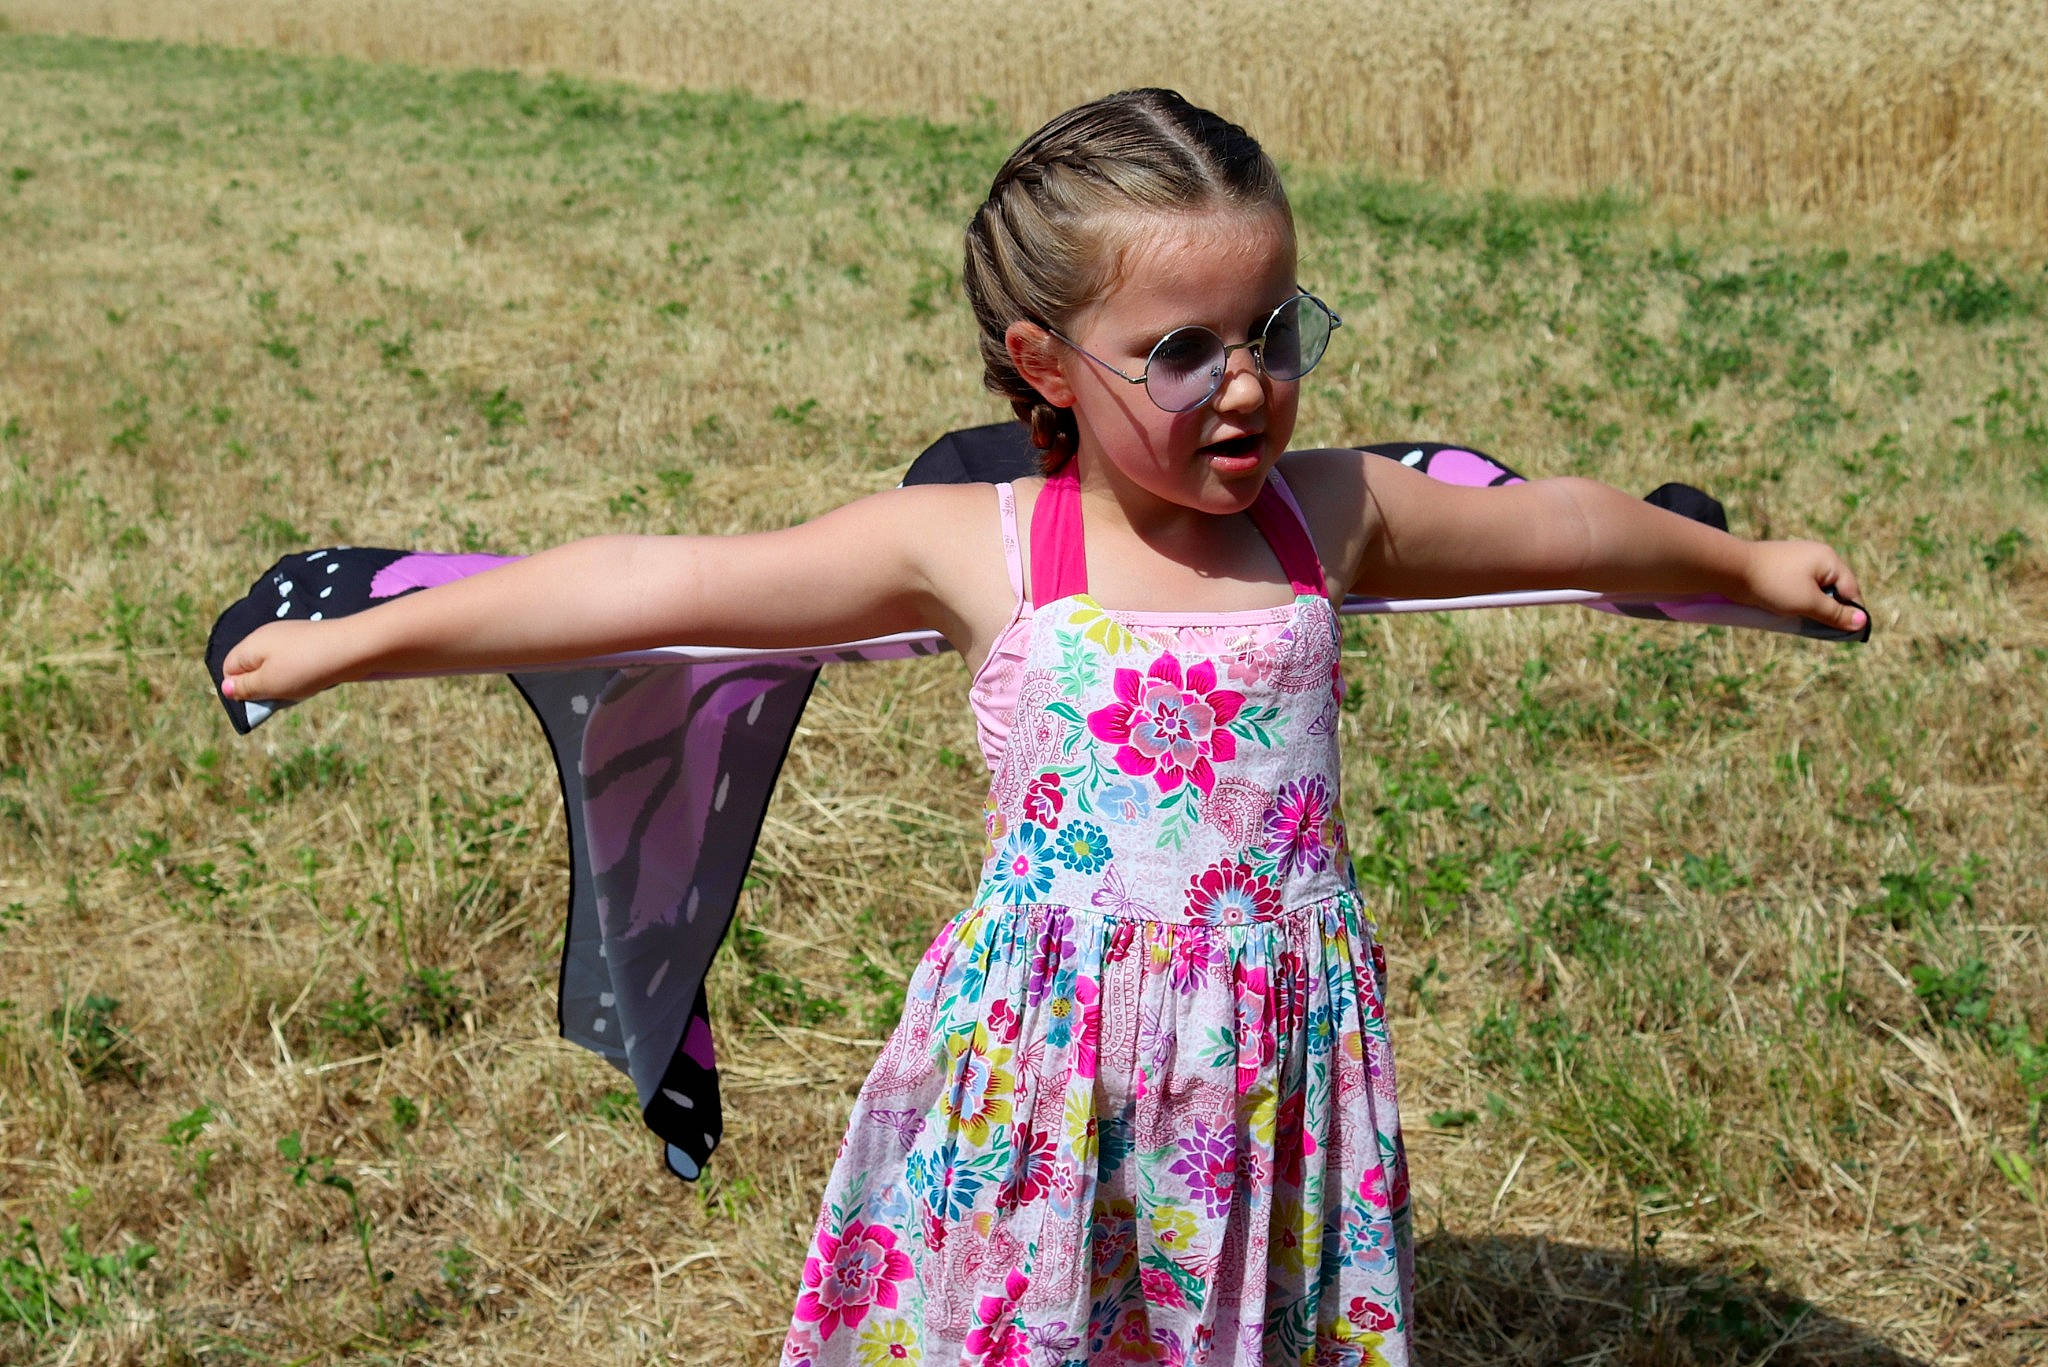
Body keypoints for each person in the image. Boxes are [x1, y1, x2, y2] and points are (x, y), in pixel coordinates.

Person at [221, 88, 1864, 1367]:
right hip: (1046, 1077)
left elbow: (1567, 530)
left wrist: (1741, 568)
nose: (1247, 386)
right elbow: (659, 584)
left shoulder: (1331, 516)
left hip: (1272, 1081)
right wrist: (362, 645)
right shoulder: (982, 550)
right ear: (1043, 363)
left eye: (1277, 330)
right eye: (1183, 349)